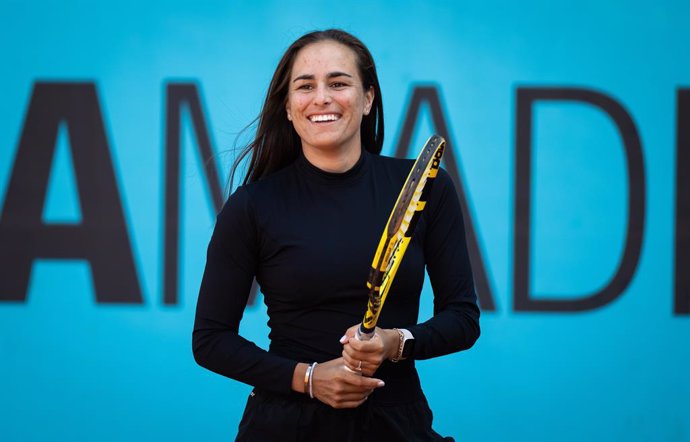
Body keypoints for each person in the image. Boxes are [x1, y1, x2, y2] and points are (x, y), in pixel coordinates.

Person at [192, 29, 480, 442]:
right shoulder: (252, 205)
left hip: (398, 425)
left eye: (339, 83)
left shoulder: (427, 189)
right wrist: (308, 378)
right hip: (284, 427)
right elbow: (210, 339)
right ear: (289, 108)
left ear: (367, 99)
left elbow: (463, 319)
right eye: (305, 86)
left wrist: (395, 342)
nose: (322, 97)